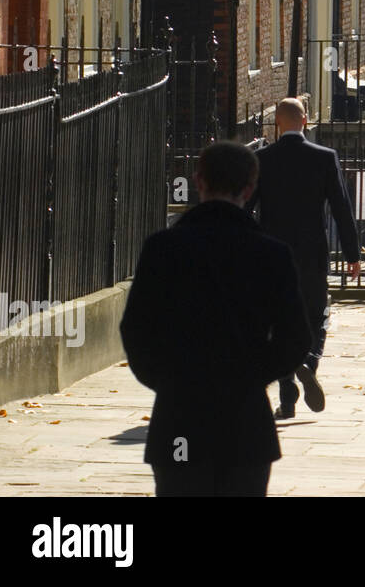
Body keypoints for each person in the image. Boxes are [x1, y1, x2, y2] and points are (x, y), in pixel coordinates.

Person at [121, 142, 312, 496]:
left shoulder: (163, 248)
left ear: (199, 182)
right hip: (246, 424)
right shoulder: (272, 254)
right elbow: (296, 338)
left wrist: (169, 380)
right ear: (250, 188)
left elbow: (135, 330)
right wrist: (253, 375)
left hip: (180, 420)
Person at [249, 97, 361, 419]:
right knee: (317, 315)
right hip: (312, 255)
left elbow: (244, 207)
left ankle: (287, 402)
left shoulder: (262, 159)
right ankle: (309, 360)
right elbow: (341, 208)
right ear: (306, 121)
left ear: (277, 124)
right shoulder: (325, 158)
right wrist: (353, 255)